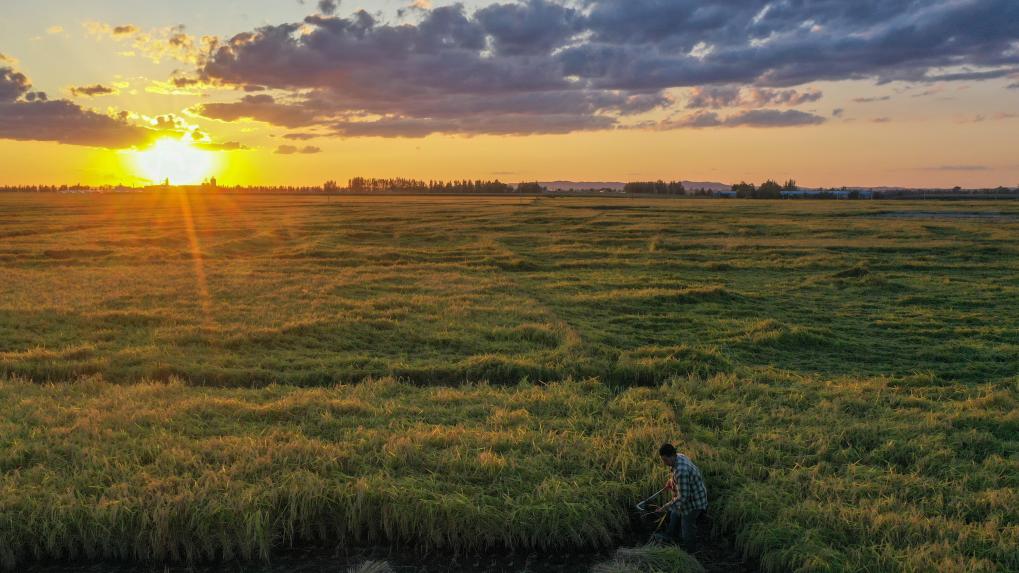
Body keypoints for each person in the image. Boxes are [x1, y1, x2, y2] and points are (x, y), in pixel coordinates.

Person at [654, 443, 708, 550]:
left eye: (665, 460)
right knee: (674, 514)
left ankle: (689, 550)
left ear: (671, 456)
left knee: (687, 527)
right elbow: (677, 478)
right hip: (690, 495)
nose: (664, 463)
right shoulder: (679, 456)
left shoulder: (681, 471)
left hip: (694, 503)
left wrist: (665, 507)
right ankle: (670, 535)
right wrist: (671, 481)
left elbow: (683, 498)